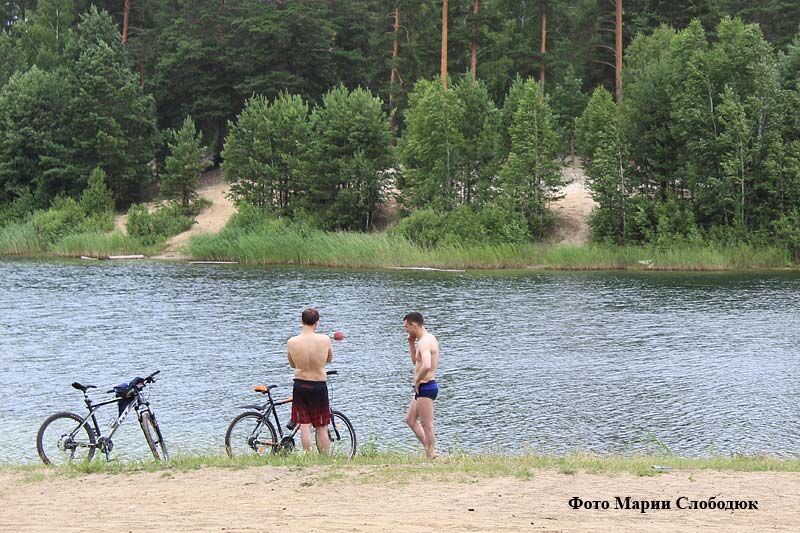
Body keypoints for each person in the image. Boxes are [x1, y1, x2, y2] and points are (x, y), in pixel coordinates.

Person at [287, 308, 333, 454]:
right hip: (318, 384)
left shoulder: (292, 342)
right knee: (321, 425)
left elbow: (293, 364)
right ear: (317, 322)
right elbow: (329, 359)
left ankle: (308, 456)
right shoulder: (324, 339)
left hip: (300, 384)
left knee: (304, 425)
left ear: (301, 321)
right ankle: (325, 457)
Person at [402, 311, 440, 459]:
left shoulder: (425, 341)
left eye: (406, 327)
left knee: (427, 424)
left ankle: (430, 455)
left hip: (426, 386)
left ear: (414, 324)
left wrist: (417, 380)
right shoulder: (422, 340)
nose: (405, 330)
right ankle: (431, 452)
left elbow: (426, 365)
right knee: (410, 420)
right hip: (421, 388)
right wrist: (411, 343)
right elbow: (416, 361)